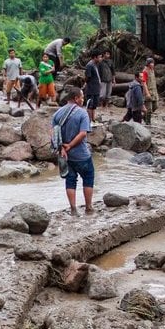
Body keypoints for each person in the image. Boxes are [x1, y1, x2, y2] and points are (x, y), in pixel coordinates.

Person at [53, 86, 94, 215]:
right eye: (82, 97)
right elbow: (82, 134)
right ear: (76, 98)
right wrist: (70, 145)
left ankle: (73, 209)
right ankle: (88, 207)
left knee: (70, 180)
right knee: (88, 178)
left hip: (65, 155)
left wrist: (62, 149)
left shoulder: (57, 113)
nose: (83, 99)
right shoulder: (82, 113)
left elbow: (53, 134)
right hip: (81, 154)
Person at [83, 50, 103, 122]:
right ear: (95, 57)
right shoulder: (89, 65)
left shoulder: (95, 64)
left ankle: (93, 119)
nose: (101, 59)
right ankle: (89, 119)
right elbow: (87, 77)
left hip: (96, 88)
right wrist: (86, 83)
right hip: (91, 88)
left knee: (94, 105)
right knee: (90, 104)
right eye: (100, 57)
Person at [141, 58, 159, 126]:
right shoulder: (145, 71)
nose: (153, 64)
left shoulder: (152, 70)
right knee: (149, 109)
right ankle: (148, 122)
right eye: (151, 63)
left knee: (156, 106)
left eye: (153, 63)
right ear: (148, 64)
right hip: (148, 91)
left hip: (154, 91)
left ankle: (143, 116)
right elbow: (144, 83)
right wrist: (147, 93)